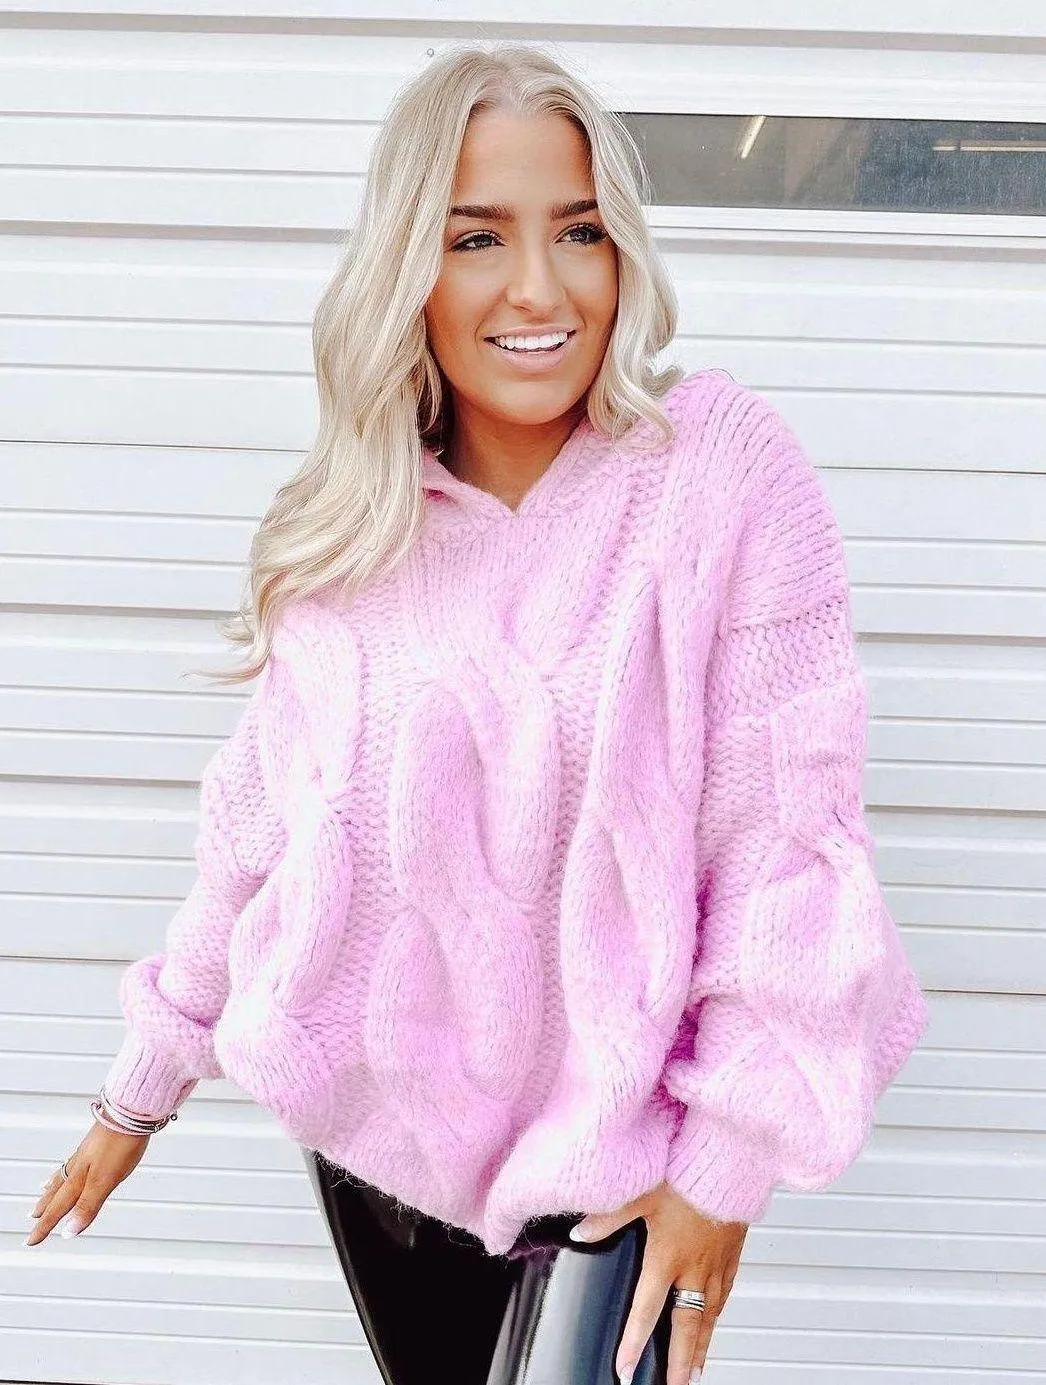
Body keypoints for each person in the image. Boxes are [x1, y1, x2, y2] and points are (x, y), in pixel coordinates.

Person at [24, 41, 931, 1385]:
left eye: (579, 231)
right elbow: (254, 838)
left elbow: (785, 846)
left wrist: (725, 1169)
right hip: (381, 1163)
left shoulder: (719, 477)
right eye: (476, 238)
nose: (538, 288)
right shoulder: (351, 535)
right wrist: (138, 1091)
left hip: (619, 1173)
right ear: (409, 266)